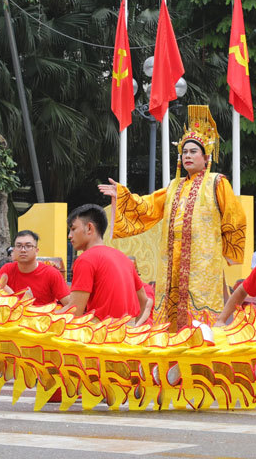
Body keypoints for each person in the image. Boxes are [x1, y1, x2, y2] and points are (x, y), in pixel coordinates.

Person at [100, 105, 247, 332]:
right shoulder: (174, 186)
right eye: (184, 152)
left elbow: (234, 218)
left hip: (203, 263)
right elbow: (148, 206)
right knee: (170, 318)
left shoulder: (217, 182)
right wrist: (123, 195)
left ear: (205, 157)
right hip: (172, 262)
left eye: (193, 152)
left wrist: (226, 252)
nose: (187, 156)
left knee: (200, 316)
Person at [66, 204, 150, 325]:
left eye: (73, 229)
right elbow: (144, 300)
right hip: (127, 334)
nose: (69, 235)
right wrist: (133, 326)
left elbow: (74, 312)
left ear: (89, 228)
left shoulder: (85, 259)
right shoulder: (124, 258)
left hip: (102, 334)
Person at [0, 230, 70, 307]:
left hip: (42, 318)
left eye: (28, 246)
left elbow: (70, 306)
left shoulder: (51, 273)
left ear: (36, 251)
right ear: (14, 250)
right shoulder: (7, 270)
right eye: (19, 246)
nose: (23, 250)